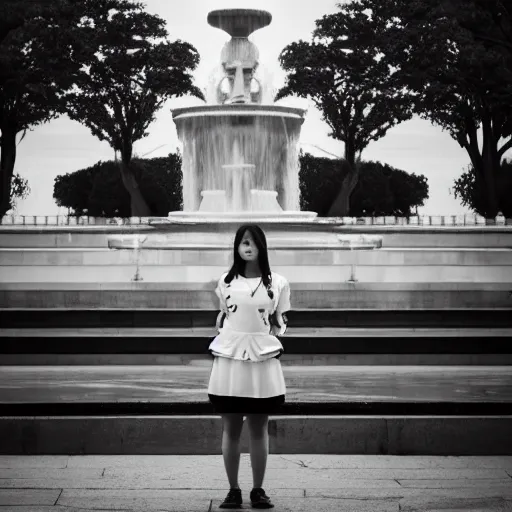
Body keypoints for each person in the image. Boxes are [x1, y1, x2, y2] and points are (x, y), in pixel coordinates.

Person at [207, 223, 291, 509]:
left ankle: (258, 489)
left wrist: (271, 334)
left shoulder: (277, 282)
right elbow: (223, 315)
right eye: (243, 241)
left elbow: (281, 320)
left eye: (253, 241)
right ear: (237, 246)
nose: (248, 246)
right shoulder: (225, 281)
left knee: (259, 427)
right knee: (230, 426)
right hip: (230, 360)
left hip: (262, 359)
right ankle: (233, 489)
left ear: (262, 246)